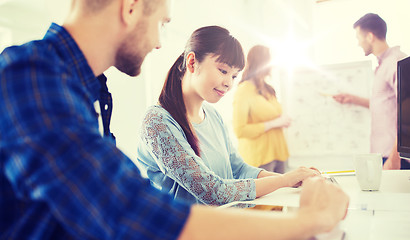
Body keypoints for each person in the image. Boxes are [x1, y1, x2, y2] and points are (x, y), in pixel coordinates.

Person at [0, 0, 349, 239]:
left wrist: (292, 185)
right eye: (162, 23)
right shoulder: (30, 77)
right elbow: (126, 209)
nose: (157, 43)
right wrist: (310, 220)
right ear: (131, 6)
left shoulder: (82, 87)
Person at [136, 26, 321, 206]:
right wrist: (285, 180)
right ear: (192, 62)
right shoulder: (158, 121)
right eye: (223, 71)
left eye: (234, 76)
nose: (228, 83)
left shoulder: (213, 116)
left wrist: (294, 179)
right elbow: (212, 191)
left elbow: (239, 169)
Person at [333, 13, 407, 168]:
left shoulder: (395, 62)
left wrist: (394, 157)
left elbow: (407, 110)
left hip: (395, 157)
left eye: (358, 37)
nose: (358, 43)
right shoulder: (383, 64)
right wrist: (354, 99)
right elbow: (386, 105)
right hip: (384, 154)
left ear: (370, 37)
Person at [233, 45, 291, 174]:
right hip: (260, 158)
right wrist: (274, 123)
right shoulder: (244, 90)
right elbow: (240, 130)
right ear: (261, 62)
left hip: (279, 153)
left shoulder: (268, 89)